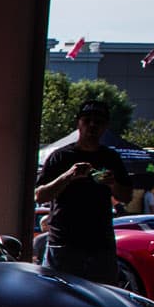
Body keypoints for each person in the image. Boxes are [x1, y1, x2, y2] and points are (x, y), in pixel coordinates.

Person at [34, 99, 128, 284]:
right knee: (58, 297)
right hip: (64, 245)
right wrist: (69, 175)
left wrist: (112, 183)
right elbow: (40, 196)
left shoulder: (111, 158)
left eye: (98, 122)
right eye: (87, 120)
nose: (92, 125)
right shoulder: (60, 157)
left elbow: (126, 196)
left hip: (100, 247)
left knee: (103, 298)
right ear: (78, 123)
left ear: (105, 127)